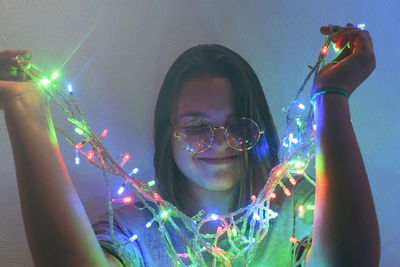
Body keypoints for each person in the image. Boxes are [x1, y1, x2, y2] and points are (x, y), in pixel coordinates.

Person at [0, 23, 380, 266]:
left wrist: (331, 93)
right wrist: (24, 109)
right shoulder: (135, 227)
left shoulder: (296, 211)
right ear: (168, 135)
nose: (218, 142)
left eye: (238, 126)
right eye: (196, 128)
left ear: (260, 130)